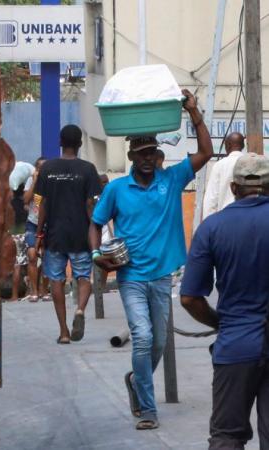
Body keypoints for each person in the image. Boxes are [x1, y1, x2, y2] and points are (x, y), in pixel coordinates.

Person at [89, 89, 212, 430]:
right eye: (140, 153)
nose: (146, 158)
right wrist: (98, 253)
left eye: (151, 152)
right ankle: (147, 408)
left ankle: (135, 381)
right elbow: (96, 223)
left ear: (158, 155)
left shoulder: (171, 180)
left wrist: (194, 113)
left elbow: (206, 151)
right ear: (131, 155)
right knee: (142, 337)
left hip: (161, 277)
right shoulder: (116, 189)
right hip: (130, 277)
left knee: (157, 341)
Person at [179, 153, 269, 449]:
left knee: (227, 436)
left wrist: (221, 322)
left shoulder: (212, 228)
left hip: (236, 344)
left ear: (233, 188)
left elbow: (190, 298)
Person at [35, 124, 101, 343]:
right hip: (81, 234)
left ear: (60, 143)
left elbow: (42, 204)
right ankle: (80, 310)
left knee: (56, 280)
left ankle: (63, 332)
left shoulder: (47, 168)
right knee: (83, 277)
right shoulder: (88, 169)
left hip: (54, 235)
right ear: (80, 144)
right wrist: (96, 230)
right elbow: (90, 204)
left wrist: (38, 235)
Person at [23, 157, 50, 302]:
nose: (42, 171)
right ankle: (33, 291)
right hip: (33, 223)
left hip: (48, 223)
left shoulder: (52, 182)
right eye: (39, 168)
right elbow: (26, 200)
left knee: (47, 256)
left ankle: (44, 289)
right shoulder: (31, 181)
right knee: (32, 254)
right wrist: (34, 181)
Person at [203, 132, 245, 218]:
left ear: (228, 145)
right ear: (243, 146)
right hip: (249, 219)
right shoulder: (251, 163)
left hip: (225, 219)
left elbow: (211, 199)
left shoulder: (219, 165)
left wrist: (208, 225)